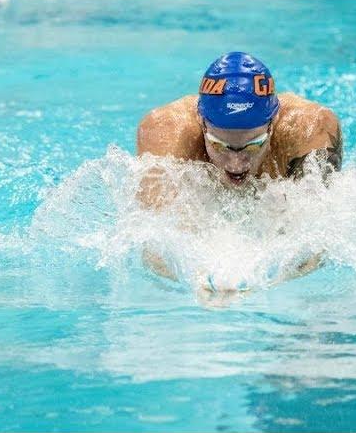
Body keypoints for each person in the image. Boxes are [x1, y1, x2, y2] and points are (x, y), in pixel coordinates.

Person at [136, 51, 343, 289]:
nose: (236, 164)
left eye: (253, 145)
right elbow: (154, 240)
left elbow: (318, 235)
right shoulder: (166, 132)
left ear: (273, 123)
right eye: (219, 145)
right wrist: (196, 279)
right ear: (201, 123)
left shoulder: (311, 130)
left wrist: (264, 278)